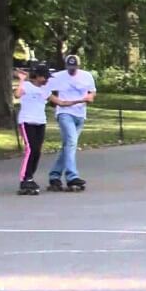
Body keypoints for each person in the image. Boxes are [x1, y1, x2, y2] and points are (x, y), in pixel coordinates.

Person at [14, 65, 79, 194]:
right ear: (37, 76)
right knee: (30, 149)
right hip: (27, 122)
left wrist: (81, 100)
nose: (46, 80)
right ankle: (24, 179)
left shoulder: (45, 90)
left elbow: (61, 102)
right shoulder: (26, 86)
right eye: (44, 77)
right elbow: (17, 94)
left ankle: (30, 177)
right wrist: (21, 80)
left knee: (37, 151)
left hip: (40, 122)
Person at [47, 55, 96, 191]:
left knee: (67, 146)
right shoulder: (57, 76)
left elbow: (92, 92)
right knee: (71, 142)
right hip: (64, 113)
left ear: (79, 66)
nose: (71, 70)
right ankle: (71, 176)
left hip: (80, 115)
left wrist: (90, 97)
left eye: (74, 68)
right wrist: (55, 100)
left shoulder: (87, 76)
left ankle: (54, 176)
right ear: (66, 66)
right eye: (69, 67)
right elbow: (44, 89)